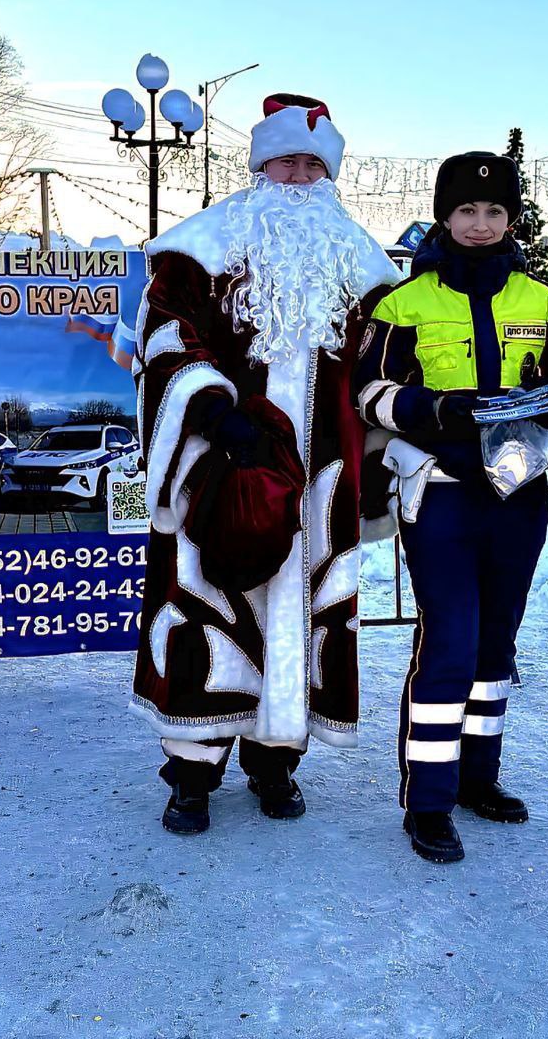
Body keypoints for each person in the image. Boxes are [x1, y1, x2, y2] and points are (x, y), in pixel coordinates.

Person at [130, 94, 399, 835]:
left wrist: (381, 461)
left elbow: (386, 364)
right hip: (219, 469)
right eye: (286, 159)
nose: (299, 174)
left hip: (321, 480)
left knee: (307, 610)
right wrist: (213, 412)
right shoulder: (201, 248)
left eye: (315, 163)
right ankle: (191, 771)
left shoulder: (365, 266)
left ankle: (275, 761)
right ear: (258, 163)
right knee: (206, 605)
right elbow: (165, 339)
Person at [353, 152, 548, 864]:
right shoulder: (401, 303)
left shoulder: (541, 300)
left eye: (495, 212)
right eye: (466, 212)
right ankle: (428, 799)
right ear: (444, 217)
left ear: (512, 219)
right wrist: (439, 408)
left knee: (495, 646)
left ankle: (480, 778)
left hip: (518, 497)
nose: (480, 225)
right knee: (449, 643)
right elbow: (369, 394)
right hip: (440, 494)